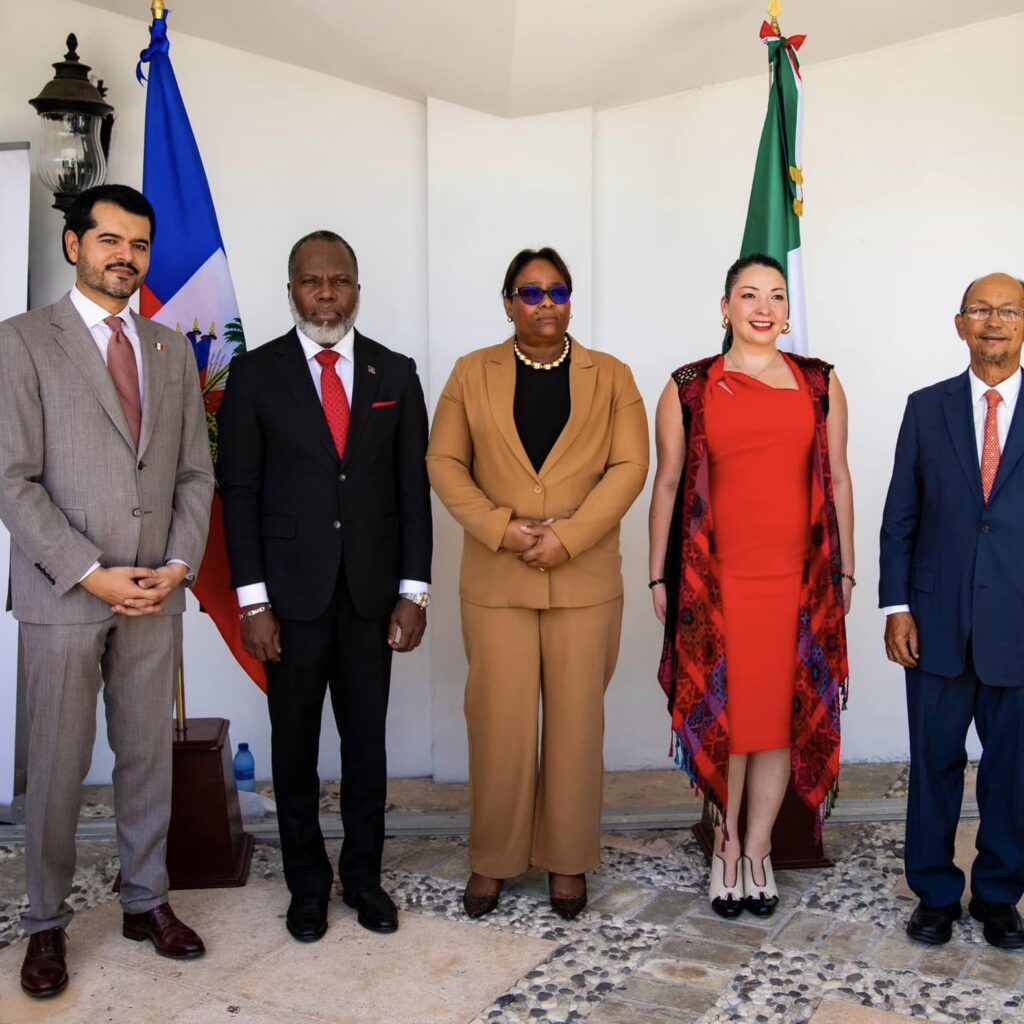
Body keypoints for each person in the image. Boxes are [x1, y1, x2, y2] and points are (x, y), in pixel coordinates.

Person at [0, 185, 215, 998]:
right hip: (65, 593)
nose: (126, 256)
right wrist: (90, 570)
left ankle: (145, 901)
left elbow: (196, 472)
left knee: (145, 754)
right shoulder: (20, 343)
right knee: (56, 764)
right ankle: (46, 923)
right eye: (110, 240)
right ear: (73, 245)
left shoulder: (168, 349)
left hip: (156, 590)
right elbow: (11, 480)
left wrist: (179, 564)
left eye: (139, 244)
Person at [218, 230, 431, 943]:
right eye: (313, 282)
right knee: (295, 751)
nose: (327, 294)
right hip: (290, 601)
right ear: (292, 291)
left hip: (372, 599)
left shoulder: (394, 375)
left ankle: (364, 880)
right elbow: (239, 492)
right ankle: (307, 886)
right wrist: (253, 601)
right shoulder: (255, 376)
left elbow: (411, 493)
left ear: (357, 290)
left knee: (367, 750)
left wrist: (415, 592)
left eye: (340, 281)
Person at [427, 246, 648, 920]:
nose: (546, 303)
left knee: (577, 726)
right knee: (500, 726)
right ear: (507, 303)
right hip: (498, 578)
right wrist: (502, 528)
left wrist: (568, 536)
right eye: (531, 292)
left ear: (570, 301)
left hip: (583, 580)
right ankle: (493, 860)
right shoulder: (472, 373)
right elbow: (444, 461)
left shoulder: (611, 376)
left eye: (558, 291)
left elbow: (631, 466)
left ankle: (568, 861)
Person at [650, 253, 853, 920]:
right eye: (748, 295)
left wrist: (843, 570)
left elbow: (840, 480)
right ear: (725, 307)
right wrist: (659, 574)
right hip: (717, 584)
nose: (763, 307)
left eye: (774, 296)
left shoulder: (820, 384)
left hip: (797, 583)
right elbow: (669, 484)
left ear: (787, 311)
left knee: (776, 722)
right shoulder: (688, 387)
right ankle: (727, 848)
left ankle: (760, 849)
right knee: (730, 718)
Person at [880, 272, 1024, 951]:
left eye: (1008, 311)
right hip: (934, 625)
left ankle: (999, 894)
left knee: (1012, 771)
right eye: (980, 310)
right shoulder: (926, 407)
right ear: (959, 323)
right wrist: (897, 606)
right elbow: (899, 519)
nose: (993, 321)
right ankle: (934, 892)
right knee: (934, 762)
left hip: (1019, 627)